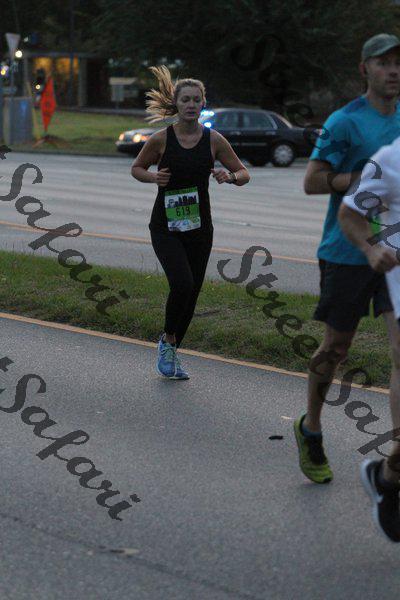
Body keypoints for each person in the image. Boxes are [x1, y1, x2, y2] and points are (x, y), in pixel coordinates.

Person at [293, 33, 400, 484]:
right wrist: (363, 180)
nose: (393, 70)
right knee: (336, 347)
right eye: (384, 62)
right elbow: (312, 181)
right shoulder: (344, 122)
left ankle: (395, 462)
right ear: (364, 69)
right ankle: (311, 425)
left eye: (399, 63)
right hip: (347, 249)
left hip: (395, 255)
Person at [131, 66, 250, 379]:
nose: (191, 105)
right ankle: (167, 341)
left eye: (197, 100)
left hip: (199, 228)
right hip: (165, 227)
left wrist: (229, 176)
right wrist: (153, 177)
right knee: (181, 283)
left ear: (203, 103)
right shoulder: (161, 139)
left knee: (192, 292)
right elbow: (137, 168)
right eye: (186, 100)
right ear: (176, 103)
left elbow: (244, 173)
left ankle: (171, 348)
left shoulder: (213, 140)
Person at [339, 137, 400, 542]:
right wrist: (370, 248)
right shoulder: (392, 158)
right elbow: (350, 213)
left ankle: (387, 475)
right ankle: (390, 478)